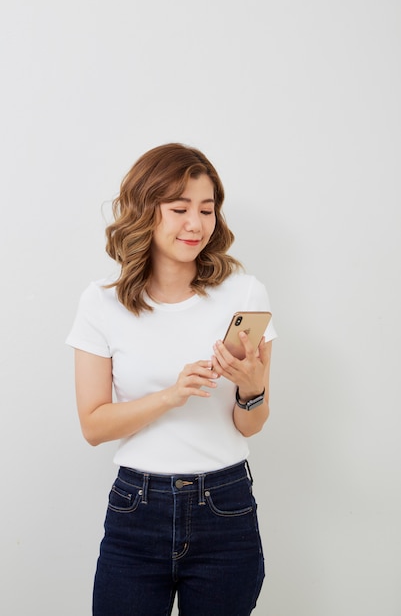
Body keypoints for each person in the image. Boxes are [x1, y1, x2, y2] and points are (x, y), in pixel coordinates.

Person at [66, 143, 277, 616]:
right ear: (145, 211)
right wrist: (172, 395)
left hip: (225, 506)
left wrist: (250, 387)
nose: (196, 224)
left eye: (207, 209)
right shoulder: (101, 303)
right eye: (179, 209)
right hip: (136, 508)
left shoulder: (244, 292)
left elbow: (251, 424)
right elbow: (94, 426)